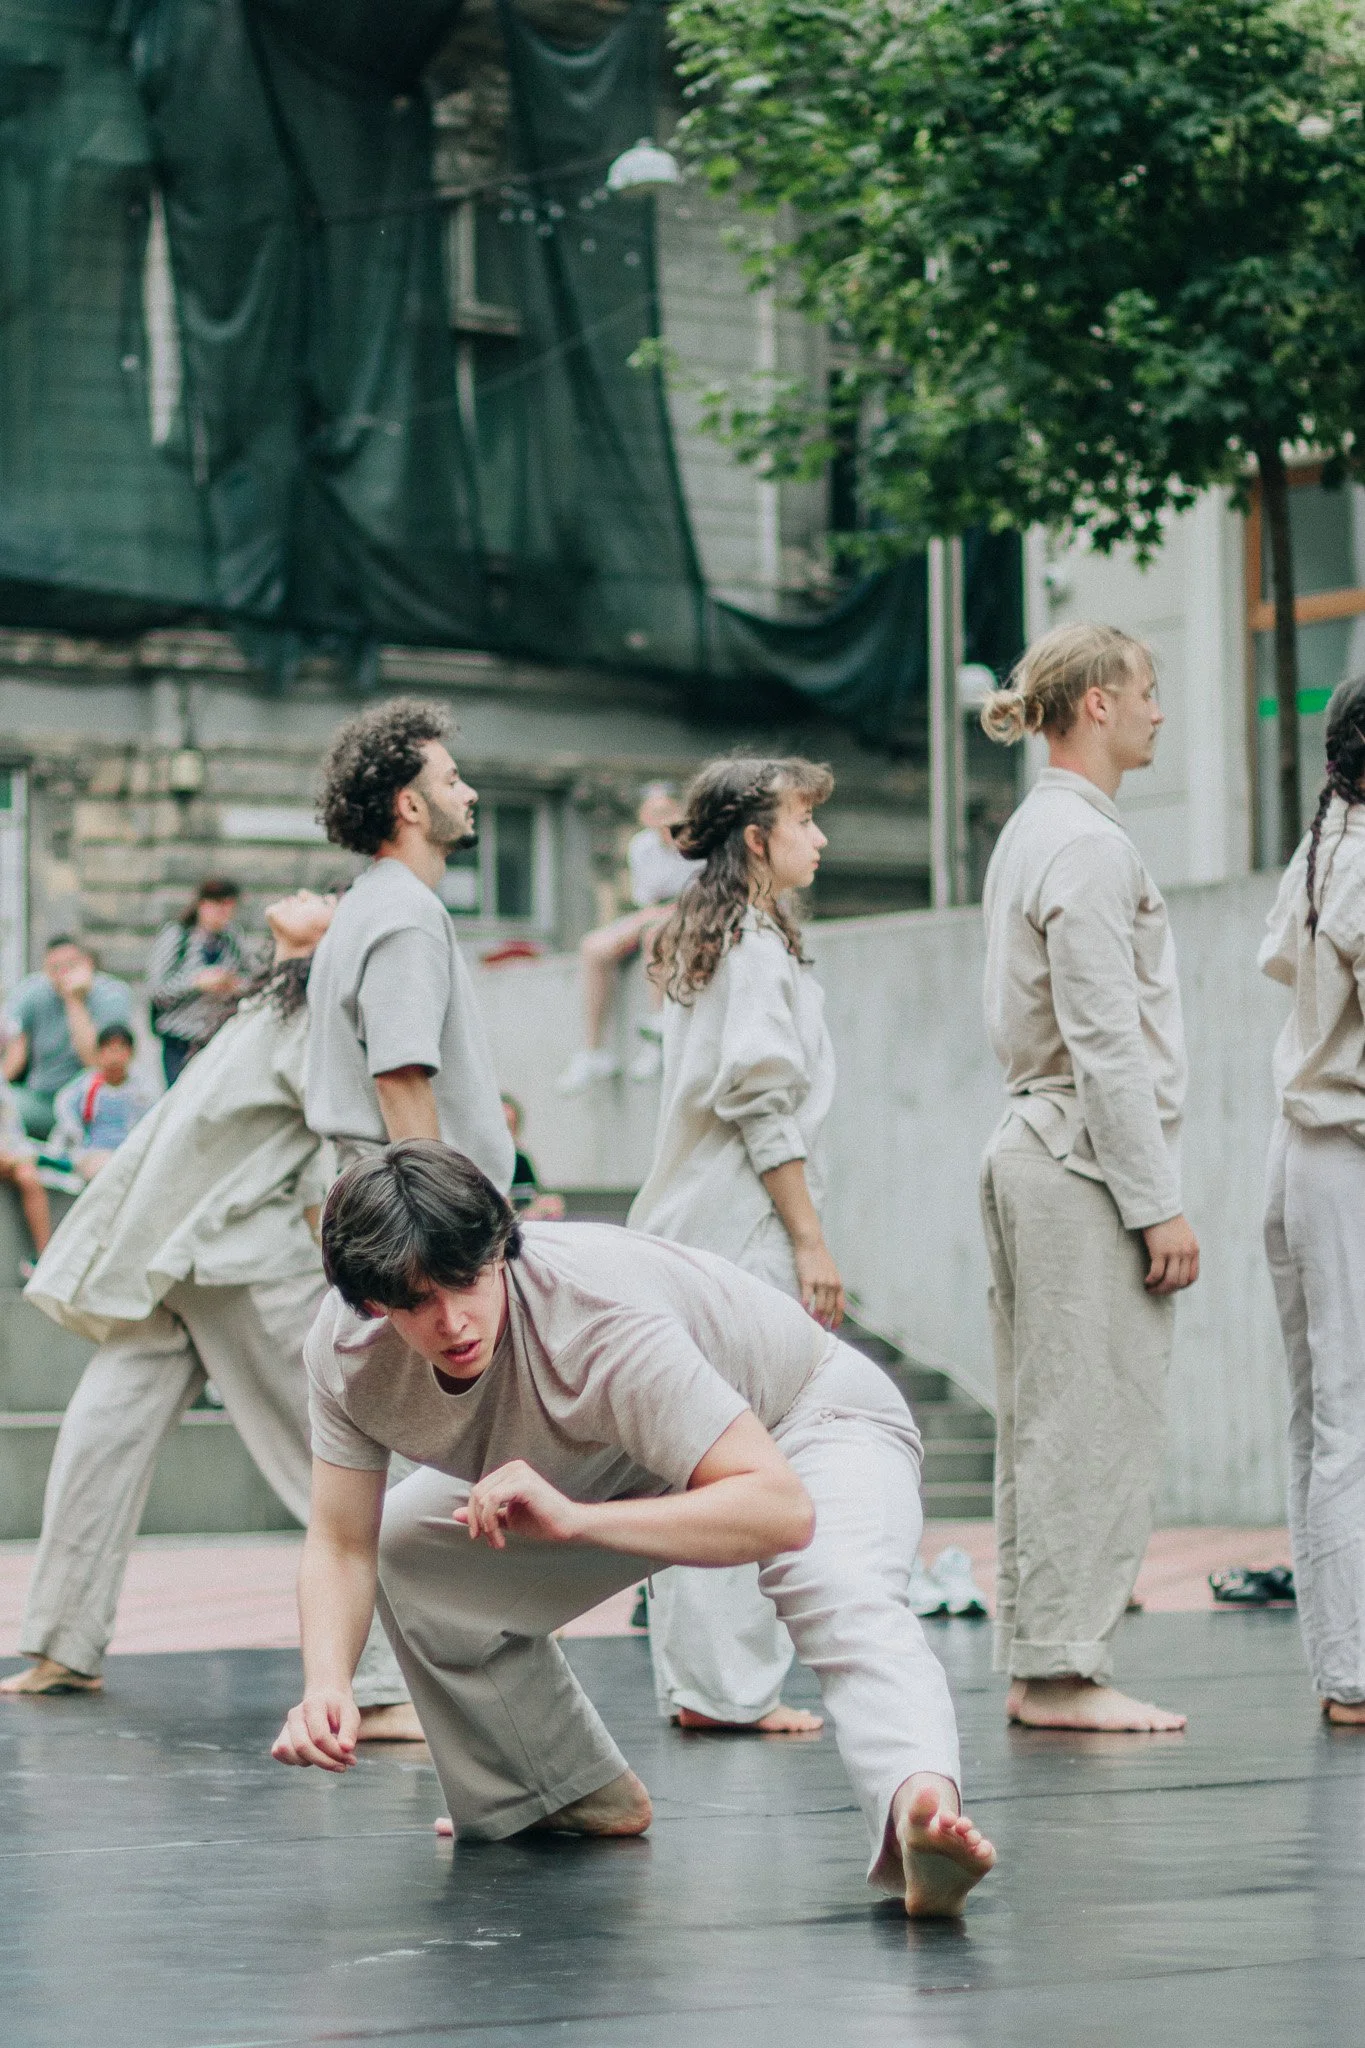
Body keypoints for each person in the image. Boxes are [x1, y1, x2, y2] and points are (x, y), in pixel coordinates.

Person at [271, 1144, 996, 1919]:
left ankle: (918, 1810)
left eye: (465, 1281)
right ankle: (557, 1792)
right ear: (373, 1304)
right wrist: (326, 1684)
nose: (451, 1321)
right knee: (412, 1554)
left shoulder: (595, 1313)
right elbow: (342, 1539)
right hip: (615, 1451)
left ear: (499, 1252)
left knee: (833, 1581)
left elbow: (780, 1512)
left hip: (804, 1416)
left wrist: (576, 1522)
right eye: (416, 1301)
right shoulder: (346, 1353)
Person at [1, 890, 415, 1732]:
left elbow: (344, 1141)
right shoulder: (269, 1001)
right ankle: (61, 1644)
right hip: (179, 1261)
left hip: (241, 1261)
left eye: (326, 897)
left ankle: (379, 1683)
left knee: (325, 1461)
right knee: (99, 1440)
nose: (304, 894)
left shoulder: (326, 1011)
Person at [977, 621, 1199, 1733]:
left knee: (1046, 1414)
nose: (1163, 709)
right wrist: (1156, 1200)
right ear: (1099, 703)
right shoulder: (1089, 845)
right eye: (1149, 691)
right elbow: (1106, 1039)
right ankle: (1063, 1671)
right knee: (1090, 1413)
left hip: (1043, 1145)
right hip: (1080, 1158)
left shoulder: (1040, 830)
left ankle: (1047, 1661)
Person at [628, 755, 842, 1736]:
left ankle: (710, 1683)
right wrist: (810, 1240)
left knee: (704, 1455)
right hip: (734, 1234)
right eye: (805, 821)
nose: (821, 838)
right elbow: (762, 1098)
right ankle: (725, 1689)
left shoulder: (720, 941)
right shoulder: (749, 947)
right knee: (734, 1458)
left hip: (694, 1231)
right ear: (757, 839)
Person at [1259, 672, 1365, 1728]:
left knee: (1322, 1413)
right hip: (1345, 1151)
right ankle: (1354, 1669)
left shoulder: (1327, 843)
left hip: (1298, 1148)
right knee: (1351, 1415)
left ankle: (1342, 1657)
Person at [305, 699, 513, 1189]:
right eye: (451, 781)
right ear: (411, 806)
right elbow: (400, 1079)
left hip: (376, 1202)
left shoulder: (367, 903)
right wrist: (442, 1225)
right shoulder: (404, 913)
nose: (469, 794)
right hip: (417, 1220)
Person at [557, 784, 701, 1094]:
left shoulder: (698, 843)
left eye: (667, 812)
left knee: (655, 935)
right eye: (653, 814)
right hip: (657, 913)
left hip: (693, 916)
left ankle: (659, 1027)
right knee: (593, 948)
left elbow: (699, 899)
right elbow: (647, 902)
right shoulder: (642, 847)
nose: (661, 821)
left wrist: (649, 920)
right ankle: (594, 1051)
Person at [2, 936, 134, 1139]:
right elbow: (14, 1060)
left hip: (93, 1102)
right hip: (40, 1099)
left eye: (71, 965)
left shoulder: (113, 994)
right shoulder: (31, 992)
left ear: (88, 963)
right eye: (55, 968)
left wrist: (74, 1000)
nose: (63, 973)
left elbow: (98, 1063)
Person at [148, 876, 251, 1086]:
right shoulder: (177, 936)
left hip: (217, 1037)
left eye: (228, 908)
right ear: (202, 905)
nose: (223, 914)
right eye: (217, 906)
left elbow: (250, 978)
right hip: (180, 1040)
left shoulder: (232, 939)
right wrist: (196, 982)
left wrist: (231, 985)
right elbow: (157, 989)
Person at [51, 1022, 155, 1180]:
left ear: (131, 1053)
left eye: (121, 1048)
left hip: (128, 1153)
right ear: (99, 1053)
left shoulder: (141, 1090)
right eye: (109, 1048)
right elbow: (64, 1106)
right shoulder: (87, 1086)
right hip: (93, 1152)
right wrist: (76, 1135)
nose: (115, 1055)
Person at [0, 1074, 52, 1261]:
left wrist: (11, 1157)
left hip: (8, 1154)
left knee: (28, 1176)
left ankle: (43, 1258)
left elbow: (12, 1130)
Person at [501, 1093, 566, 1222]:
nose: (506, 1134)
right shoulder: (474, 1161)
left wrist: (540, 1206)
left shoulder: (520, 1161)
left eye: (510, 1127)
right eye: (502, 1126)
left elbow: (531, 1197)